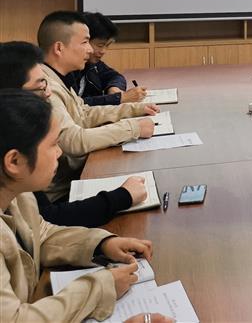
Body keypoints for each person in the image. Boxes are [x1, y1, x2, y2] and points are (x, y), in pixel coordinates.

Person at [0, 88, 155, 320]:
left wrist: (101, 244)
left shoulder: (17, 193)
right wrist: (99, 288)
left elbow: (40, 234)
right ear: (14, 161)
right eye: (53, 145)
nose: (59, 152)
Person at [0, 41, 147, 226]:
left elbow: (41, 228)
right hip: (61, 192)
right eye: (85, 41)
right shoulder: (15, 141)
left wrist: (102, 241)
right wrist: (121, 197)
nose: (48, 93)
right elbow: (48, 218)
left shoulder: (60, 81)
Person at [37, 11, 157, 201]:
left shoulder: (58, 77)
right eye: (85, 42)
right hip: (62, 192)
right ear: (59, 48)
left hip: (75, 177)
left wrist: (134, 109)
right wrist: (133, 128)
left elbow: (84, 114)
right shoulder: (44, 86)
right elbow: (74, 141)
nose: (90, 50)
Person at [65, 12, 147, 105]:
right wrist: (118, 98)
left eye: (107, 45)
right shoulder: (66, 69)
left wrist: (114, 88)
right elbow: (75, 105)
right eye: (100, 45)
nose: (103, 51)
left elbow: (114, 76)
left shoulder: (92, 64)